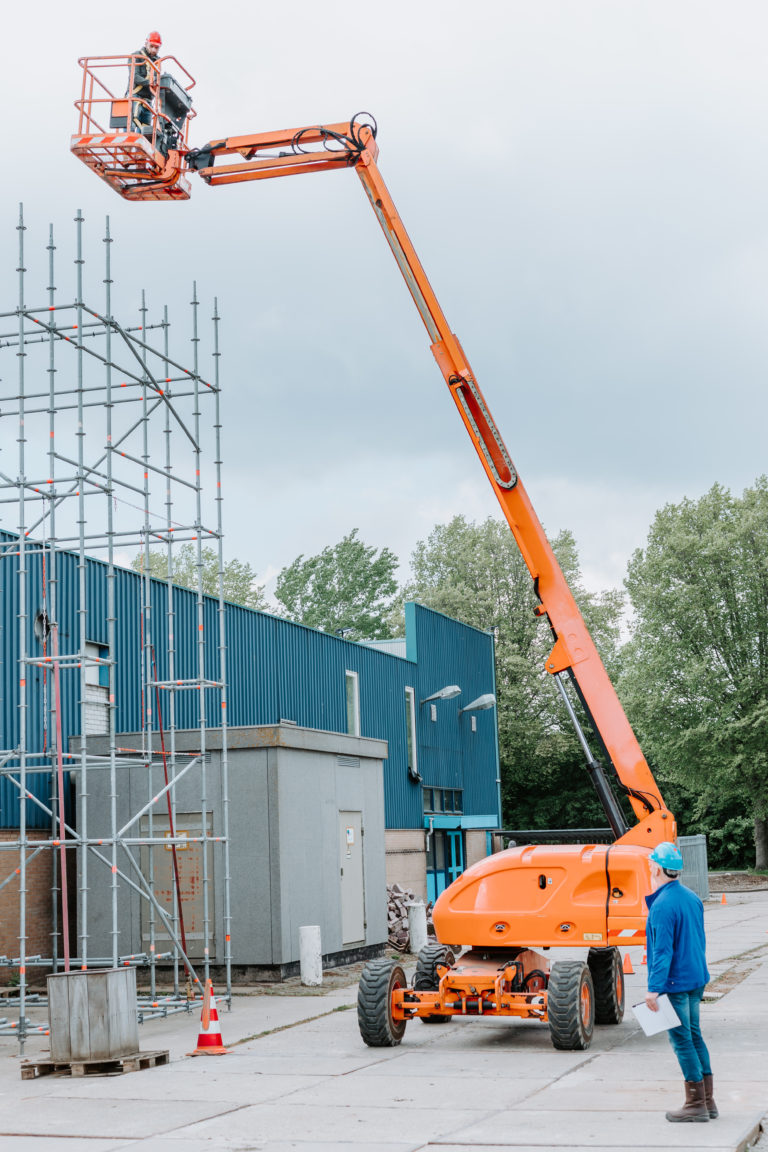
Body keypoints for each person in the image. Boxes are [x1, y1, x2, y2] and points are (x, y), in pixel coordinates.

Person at [644, 841, 716, 1123]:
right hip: (695, 978)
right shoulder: (691, 897)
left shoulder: (662, 906)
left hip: (675, 984)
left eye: (652, 862)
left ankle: (695, 1104)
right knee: (694, 1036)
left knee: (682, 1041)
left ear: (660, 868)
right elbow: (697, 941)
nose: (649, 866)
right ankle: (708, 1102)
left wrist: (654, 989)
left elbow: (662, 952)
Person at [130, 31, 162, 136]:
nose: (153, 50)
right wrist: (150, 82)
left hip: (148, 102)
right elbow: (135, 77)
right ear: (146, 44)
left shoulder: (157, 61)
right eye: (151, 46)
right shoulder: (136, 56)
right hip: (136, 97)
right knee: (131, 126)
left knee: (145, 134)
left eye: (156, 47)